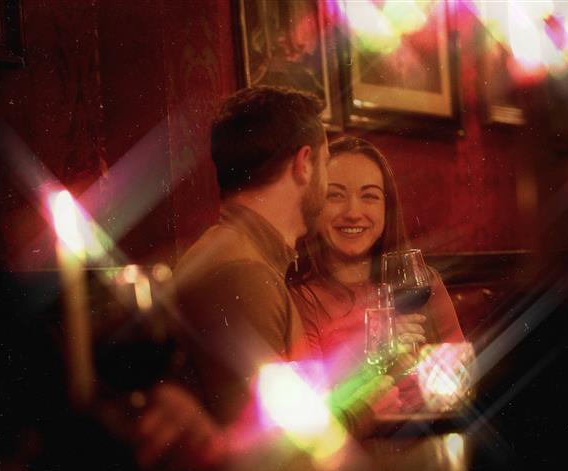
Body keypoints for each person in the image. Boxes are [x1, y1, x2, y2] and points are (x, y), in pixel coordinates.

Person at [169, 87, 397, 437]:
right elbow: (275, 445)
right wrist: (365, 409)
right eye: (324, 164)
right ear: (303, 164)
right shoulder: (242, 274)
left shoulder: (238, 252)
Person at [289, 136, 464, 382]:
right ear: (314, 204)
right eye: (335, 195)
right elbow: (308, 395)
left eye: (369, 196)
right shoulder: (299, 298)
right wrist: (373, 353)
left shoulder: (423, 282)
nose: (352, 213)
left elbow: (460, 377)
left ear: (386, 207)